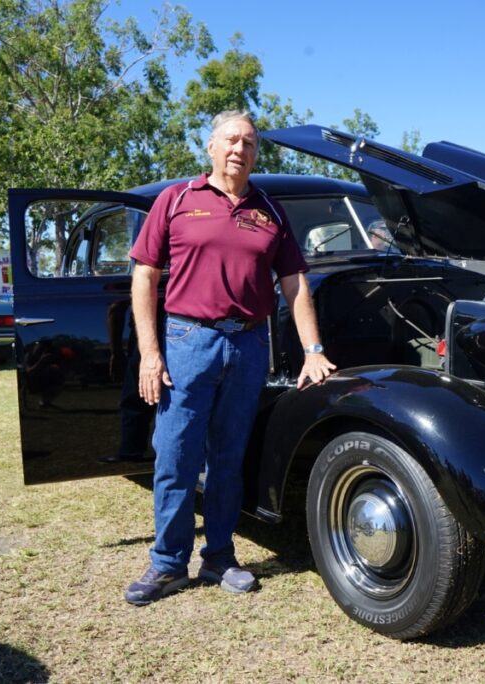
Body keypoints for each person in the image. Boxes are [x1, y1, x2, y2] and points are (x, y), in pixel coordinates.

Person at [124, 110, 336, 606]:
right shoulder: (175, 200)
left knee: (228, 457)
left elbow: (294, 284)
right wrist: (150, 354)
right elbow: (144, 278)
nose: (240, 149)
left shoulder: (270, 210)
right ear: (211, 147)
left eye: (250, 142)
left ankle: (219, 557)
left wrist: (314, 351)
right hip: (186, 341)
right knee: (176, 456)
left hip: (246, 345)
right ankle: (168, 563)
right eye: (231, 140)